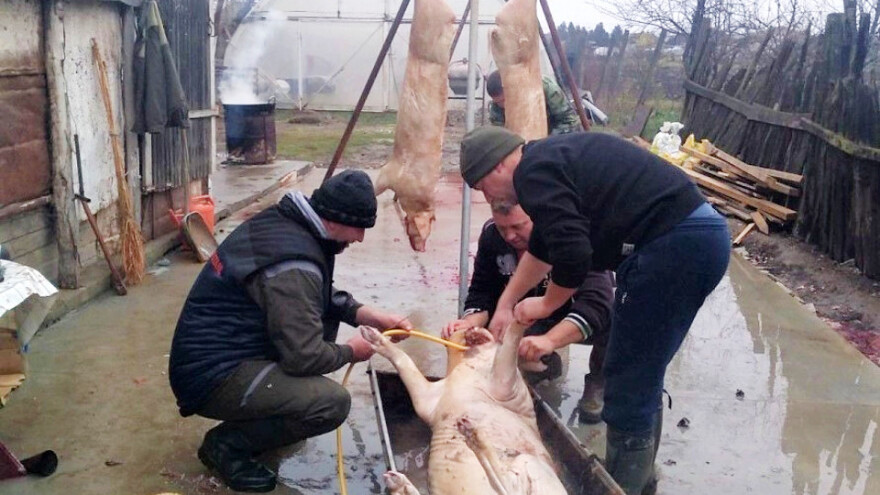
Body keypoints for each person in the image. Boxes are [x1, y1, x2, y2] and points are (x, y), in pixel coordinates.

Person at [458, 127, 730, 495]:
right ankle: (638, 478)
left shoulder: (531, 172)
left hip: (674, 244)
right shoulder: (549, 160)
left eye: (481, 187)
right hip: (691, 237)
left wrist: (545, 304)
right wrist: (506, 305)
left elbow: (572, 255)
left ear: (497, 167)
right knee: (640, 371)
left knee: (629, 377)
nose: (486, 197)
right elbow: (544, 249)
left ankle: (622, 485)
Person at [168, 170, 412, 493]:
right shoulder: (294, 262)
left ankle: (259, 419)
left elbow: (316, 292)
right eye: (359, 228)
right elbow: (304, 357)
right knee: (330, 403)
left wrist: (367, 314)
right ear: (337, 219)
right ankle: (227, 445)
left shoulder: (290, 224)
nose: (360, 238)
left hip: (219, 353)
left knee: (319, 327)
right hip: (211, 376)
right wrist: (353, 351)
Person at [442, 201, 613, 417]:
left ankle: (598, 380)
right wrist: (469, 322)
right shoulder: (492, 236)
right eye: (502, 228)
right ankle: (544, 364)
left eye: (517, 227)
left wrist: (551, 339)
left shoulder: (570, 237)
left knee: (616, 319)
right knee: (504, 347)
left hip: (572, 313)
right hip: (527, 317)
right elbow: (481, 291)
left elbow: (597, 303)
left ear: (537, 217)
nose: (510, 236)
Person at [486, 70, 581, 135]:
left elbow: (570, 122)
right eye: (498, 102)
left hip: (554, 138)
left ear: (512, 89)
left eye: (504, 100)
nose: (503, 106)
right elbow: (499, 132)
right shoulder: (497, 106)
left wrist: (546, 142)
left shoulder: (546, 89)